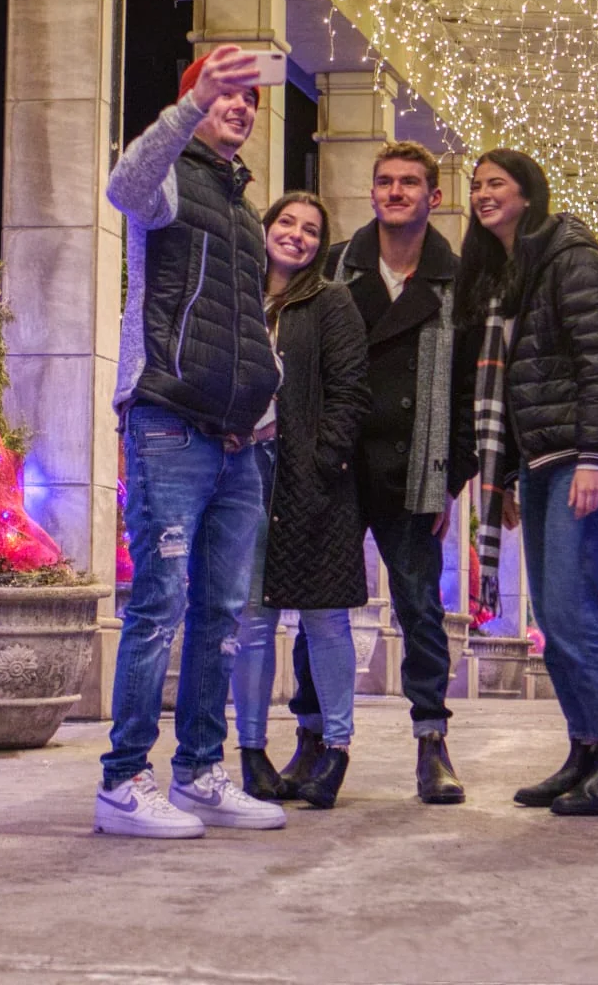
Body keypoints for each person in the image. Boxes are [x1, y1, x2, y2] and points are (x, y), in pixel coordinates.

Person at [95, 44, 287, 840]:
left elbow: (244, 321)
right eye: (223, 94)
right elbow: (121, 184)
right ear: (194, 100)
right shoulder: (169, 179)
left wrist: (267, 398)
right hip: (168, 421)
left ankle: (201, 772)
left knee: (222, 614)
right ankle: (123, 780)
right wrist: (186, 104)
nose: (238, 106)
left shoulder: (246, 210)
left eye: (248, 99)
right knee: (158, 606)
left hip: (239, 439)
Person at [456, 147, 598, 817]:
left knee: (570, 607)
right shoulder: (510, 276)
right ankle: (584, 749)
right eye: (475, 185)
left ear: (527, 194)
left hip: (581, 454)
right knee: (551, 612)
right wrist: (504, 476)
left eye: (495, 184)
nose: (482, 195)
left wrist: (593, 455)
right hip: (537, 461)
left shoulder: (572, 259)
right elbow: (510, 390)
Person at [288, 141, 478, 805]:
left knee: (420, 608)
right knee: (318, 606)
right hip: (335, 465)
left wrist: (450, 477)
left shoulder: (456, 281)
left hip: (413, 467)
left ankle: (432, 743)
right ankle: (309, 738)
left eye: (409, 183)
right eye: (385, 182)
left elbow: (465, 392)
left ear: (433, 196)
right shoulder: (338, 266)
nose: (395, 191)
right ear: (371, 194)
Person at [230, 192, 370, 809]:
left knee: (324, 617)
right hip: (243, 471)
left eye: (311, 229)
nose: (296, 235)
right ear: (265, 229)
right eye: (286, 222)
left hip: (313, 478)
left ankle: (334, 750)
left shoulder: (331, 302)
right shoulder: (235, 294)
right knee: (254, 619)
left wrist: (321, 461)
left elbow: (349, 392)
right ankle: (253, 753)